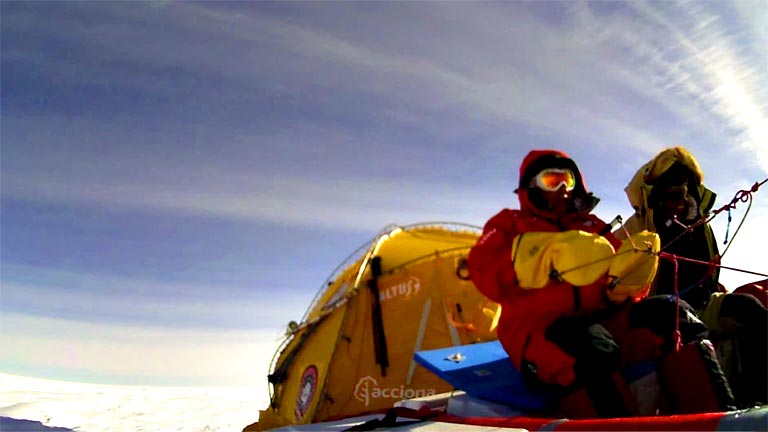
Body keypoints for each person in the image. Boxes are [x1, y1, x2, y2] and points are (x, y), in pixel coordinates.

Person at [468, 149, 731, 418]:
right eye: (550, 180)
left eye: (567, 181)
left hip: (603, 321)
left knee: (675, 314)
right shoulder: (510, 224)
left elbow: (623, 275)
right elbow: (481, 270)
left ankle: (717, 419)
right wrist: (538, 254)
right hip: (538, 332)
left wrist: (630, 283)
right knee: (592, 348)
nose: (561, 189)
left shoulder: (592, 225)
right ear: (531, 185)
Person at [619, 146, 767, 407]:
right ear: (654, 195)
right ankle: (718, 412)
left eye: (685, 192)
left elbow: (710, 272)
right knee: (683, 320)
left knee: (750, 307)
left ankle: (759, 399)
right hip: (657, 309)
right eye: (672, 194)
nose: (679, 201)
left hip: (702, 303)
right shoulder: (633, 230)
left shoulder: (700, 226)